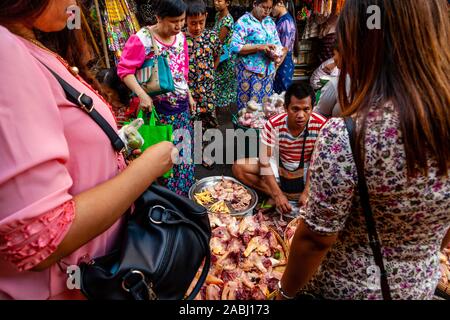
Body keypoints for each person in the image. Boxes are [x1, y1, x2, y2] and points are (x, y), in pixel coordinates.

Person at [0, 0, 175, 300]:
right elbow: (43, 238)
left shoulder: (30, 47)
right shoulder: (6, 52)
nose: (75, 6)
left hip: (92, 275)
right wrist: (148, 167)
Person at [277, 0, 450, 300]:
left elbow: (315, 240)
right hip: (418, 289)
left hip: (345, 290)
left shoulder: (348, 136)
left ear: (365, 46)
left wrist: (284, 293)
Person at [118, 0, 195, 197]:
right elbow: (125, 70)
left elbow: (183, 71)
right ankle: (165, 201)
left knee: (183, 154)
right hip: (157, 111)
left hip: (181, 109)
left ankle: (184, 196)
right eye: (173, 21)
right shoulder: (141, 39)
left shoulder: (180, 38)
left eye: (182, 20)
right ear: (158, 17)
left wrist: (189, 95)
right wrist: (142, 95)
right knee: (162, 157)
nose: (178, 26)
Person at [232, 82, 327, 215]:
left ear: (312, 108)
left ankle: (293, 195)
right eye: (295, 109)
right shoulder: (273, 124)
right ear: (285, 108)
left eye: (306, 109)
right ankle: (277, 194)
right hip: (279, 166)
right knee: (239, 167)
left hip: (308, 170)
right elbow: (264, 161)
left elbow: (317, 163)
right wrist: (277, 195)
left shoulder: (321, 125)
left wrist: (307, 192)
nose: (301, 115)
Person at [185, 0, 220, 168]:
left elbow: (217, 56)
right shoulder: (181, 39)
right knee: (190, 121)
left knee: (207, 122)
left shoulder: (212, 37)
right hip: (188, 91)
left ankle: (206, 154)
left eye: (201, 22)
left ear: (206, 17)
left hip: (207, 89)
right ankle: (191, 153)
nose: (197, 27)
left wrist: (209, 73)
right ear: (185, 20)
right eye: (193, 23)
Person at [230, 0, 283, 110]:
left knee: (265, 109)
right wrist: (259, 47)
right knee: (247, 110)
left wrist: (275, 54)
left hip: (267, 74)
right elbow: (235, 46)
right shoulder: (243, 22)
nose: (267, 11)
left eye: (269, 8)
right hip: (249, 74)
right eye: (264, 7)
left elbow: (277, 44)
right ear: (255, 4)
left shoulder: (270, 22)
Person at [213, 0, 237, 109]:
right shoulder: (218, 15)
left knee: (220, 89)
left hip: (224, 60)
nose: (216, 3)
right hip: (219, 56)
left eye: (219, 1)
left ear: (227, 3)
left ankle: (219, 116)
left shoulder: (227, 20)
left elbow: (218, 42)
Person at [272, 0, 298, 94]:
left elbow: (284, 49)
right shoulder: (281, 19)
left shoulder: (286, 21)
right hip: (280, 61)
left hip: (282, 62)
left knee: (280, 95)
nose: (270, 10)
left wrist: (275, 68)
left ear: (280, 3)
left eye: (272, 7)